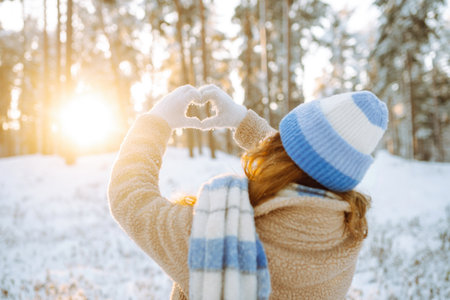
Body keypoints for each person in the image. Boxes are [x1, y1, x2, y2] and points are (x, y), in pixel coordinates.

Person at [108, 84, 388, 299]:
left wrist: (155, 122)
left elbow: (130, 199)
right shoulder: (348, 233)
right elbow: (307, 166)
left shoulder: (217, 237)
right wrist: (243, 121)